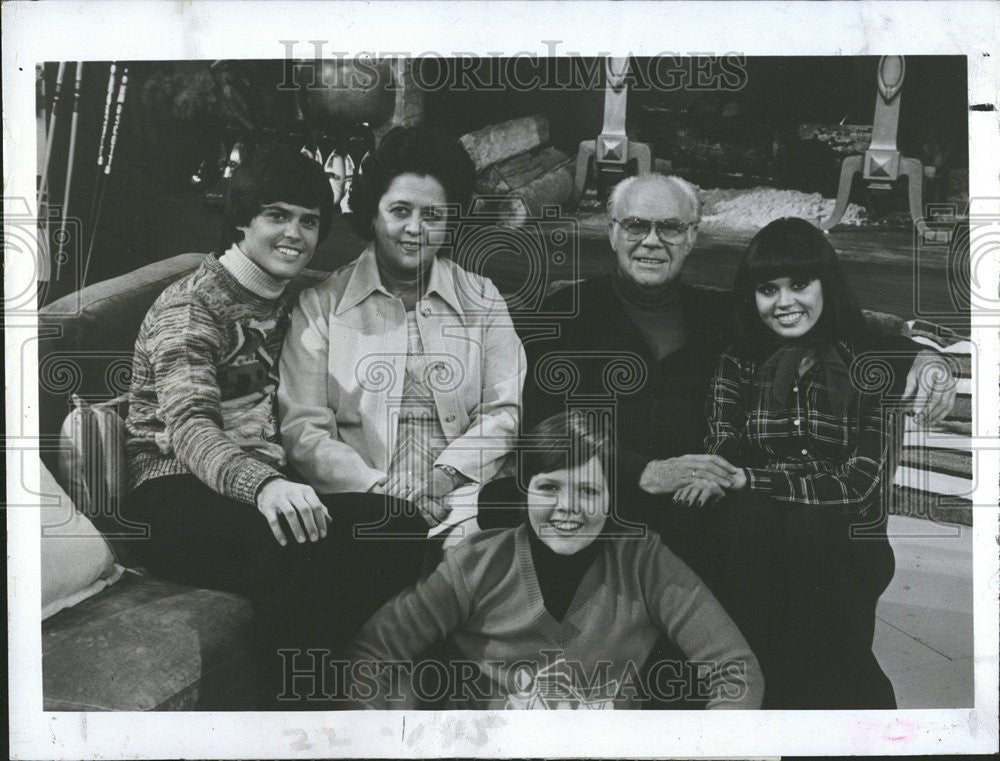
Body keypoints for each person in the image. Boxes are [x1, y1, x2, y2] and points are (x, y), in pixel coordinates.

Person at [482, 173, 955, 589]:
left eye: (669, 227)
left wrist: (919, 357)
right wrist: (642, 472)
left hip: (702, 505)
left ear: (691, 237)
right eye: (636, 225)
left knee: (760, 528)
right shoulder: (566, 314)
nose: (652, 240)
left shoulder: (721, 314)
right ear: (612, 233)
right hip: (605, 492)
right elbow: (543, 423)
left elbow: (829, 325)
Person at [123, 144, 427, 708]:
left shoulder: (291, 299)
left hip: (265, 485)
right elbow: (190, 427)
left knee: (400, 525)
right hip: (173, 493)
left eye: (310, 221)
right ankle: (289, 720)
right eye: (277, 215)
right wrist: (265, 486)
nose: (295, 234)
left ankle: (323, 690)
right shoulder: (191, 307)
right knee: (298, 557)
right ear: (242, 220)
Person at [346, 412, 764, 710]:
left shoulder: (643, 562)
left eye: (588, 491)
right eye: (549, 488)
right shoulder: (475, 564)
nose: (568, 509)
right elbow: (371, 653)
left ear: (612, 499)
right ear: (524, 490)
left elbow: (735, 669)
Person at [688, 216, 904, 708]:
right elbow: (724, 438)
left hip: (841, 534)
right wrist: (714, 472)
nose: (784, 303)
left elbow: (857, 484)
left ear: (826, 284)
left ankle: (836, 700)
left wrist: (752, 479)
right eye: (768, 289)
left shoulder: (867, 361)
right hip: (763, 531)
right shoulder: (740, 359)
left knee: (810, 527)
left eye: (800, 284)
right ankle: (764, 687)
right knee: (744, 522)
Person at [278, 126, 525, 532]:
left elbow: (504, 412)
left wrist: (442, 478)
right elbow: (304, 431)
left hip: (464, 494)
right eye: (400, 211)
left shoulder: (482, 298)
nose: (415, 228)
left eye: (432, 215)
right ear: (373, 214)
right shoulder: (320, 306)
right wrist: (383, 490)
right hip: (363, 498)